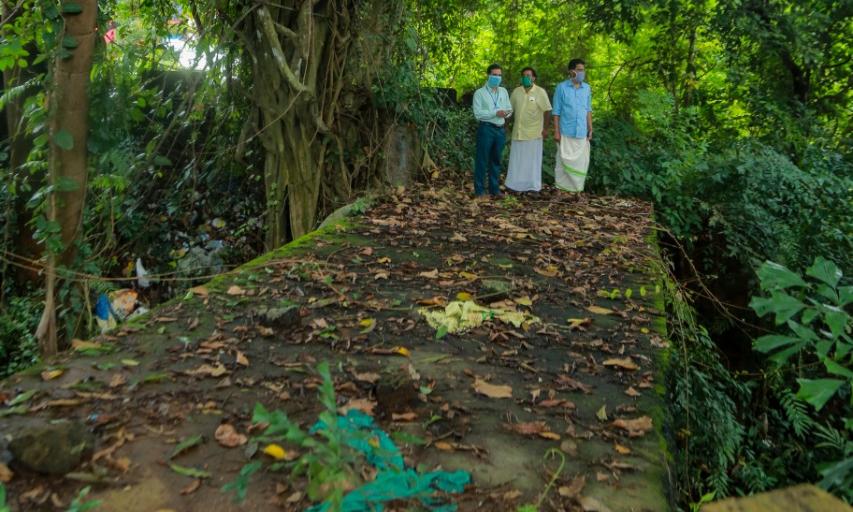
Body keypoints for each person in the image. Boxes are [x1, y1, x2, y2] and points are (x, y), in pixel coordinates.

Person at [505, 67, 552, 193]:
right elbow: (510, 111)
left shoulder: (540, 92)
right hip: (518, 132)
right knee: (517, 161)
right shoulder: (516, 92)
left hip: (534, 133)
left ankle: (533, 188)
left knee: (532, 163)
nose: (527, 77)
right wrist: (505, 127)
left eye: (529, 75)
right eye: (524, 75)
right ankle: (514, 186)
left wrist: (545, 129)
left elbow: (548, 110)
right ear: (521, 78)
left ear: (534, 78)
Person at [552, 58, 592, 193]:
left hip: (581, 132)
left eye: (583, 70)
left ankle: (577, 191)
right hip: (565, 131)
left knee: (581, 164)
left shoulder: (587, 88)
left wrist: (590, 128)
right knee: (562, 163)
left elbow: (588, 110)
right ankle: (561, 191)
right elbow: (556, 112)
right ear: (571, 71)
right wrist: (556, 131)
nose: (582, 72)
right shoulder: (561, 87)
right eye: (579, 70)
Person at [472, 63, 513, 198]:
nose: (497, 77)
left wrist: (506, 113)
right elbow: (478, 114)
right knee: (482, 160)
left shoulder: (503, 91)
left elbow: (509, 109)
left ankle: (494, 190)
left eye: (499, 75)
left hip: (500, 130)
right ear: (488, 75)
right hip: (486, 129)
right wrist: (496, 112)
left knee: (496, 160)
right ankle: (479, 191)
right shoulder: (480, 93)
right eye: (494, 75)